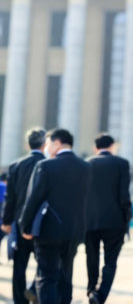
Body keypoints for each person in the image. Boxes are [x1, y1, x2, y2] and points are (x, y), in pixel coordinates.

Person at [19, 129, 92, 305]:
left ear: (57, 143)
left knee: (47, 276)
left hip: (48, 230)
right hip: (74, 231)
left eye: (49, 143)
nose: (46, 147)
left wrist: (25, 226)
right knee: (66, 276)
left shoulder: (45, 166)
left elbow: (34, 199)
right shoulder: (86, 167)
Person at [85, 134, 132, 305]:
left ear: (95, 148)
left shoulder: (87, 163)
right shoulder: (122, 163)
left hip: (90, 220)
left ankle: (91, 289)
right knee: (110, 260)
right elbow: (124, 194)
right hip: (115, 219)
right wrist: (126, 217)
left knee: (91, 256)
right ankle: (101, 295)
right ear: (112, 146)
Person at [2, 128, 46, 305]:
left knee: (19, 264)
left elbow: (10, 197)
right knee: (45, 263)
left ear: (28, 144)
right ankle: (35, 290)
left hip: (20, 223)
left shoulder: (16, 165)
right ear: (44, 145)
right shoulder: (49, 164)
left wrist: (6, 221)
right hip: (43, 223)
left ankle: (20, 300)